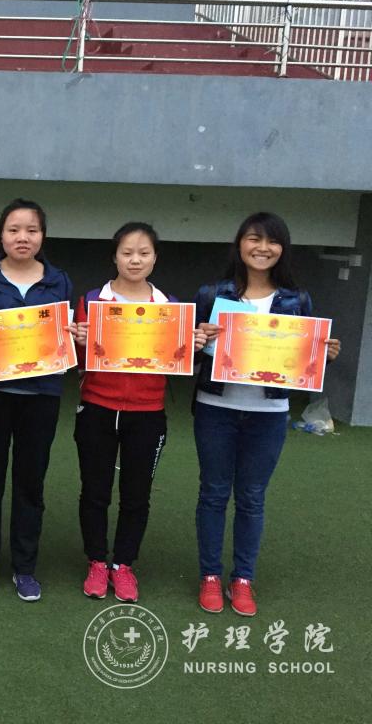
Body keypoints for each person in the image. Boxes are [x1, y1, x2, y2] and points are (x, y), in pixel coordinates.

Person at [193, 212, 340, 617]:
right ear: (239, 244)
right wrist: (197, 340)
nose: (262, 248)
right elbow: (188, 356)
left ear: (283, 249)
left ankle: (242, 579)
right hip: (216, 408)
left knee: (252, 498)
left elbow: (303, 360)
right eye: (254, 239)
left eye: (272, 241)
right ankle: (209, 576)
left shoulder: (297, 300)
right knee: (213, 493)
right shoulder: (212, 294)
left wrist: (323, 355)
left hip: (269, 412)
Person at [70, 222, 191, 603]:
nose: (135, 260)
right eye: (127, 252)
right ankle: (96, 562)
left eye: (143, 253)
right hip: (97, 408)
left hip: (147, 412)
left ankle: (123, 565)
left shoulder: (170, 308)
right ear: (114, 257)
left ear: (155, 258)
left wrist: (192, 343)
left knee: (137, 496)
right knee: (95, 492)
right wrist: (78, 340)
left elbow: (178, 360)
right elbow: (76, 360)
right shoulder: (93, 301)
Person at [0, 199, 72, 601]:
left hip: (41, 396)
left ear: (42, 235)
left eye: (31, 230)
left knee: (31, 483)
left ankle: (25, 567)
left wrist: (72, 335)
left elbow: (63, 332)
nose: (22, 237)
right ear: (1, 235)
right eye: (13, 230)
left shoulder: (59, 280)